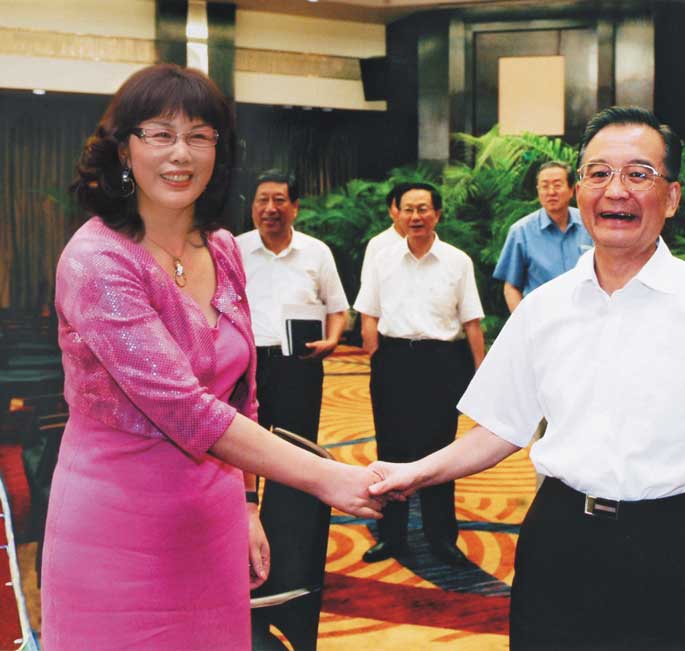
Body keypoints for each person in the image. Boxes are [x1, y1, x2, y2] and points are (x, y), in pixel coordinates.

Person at [367, 107, 685, 650]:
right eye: (598, 173)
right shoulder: (544, 307)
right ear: (579, 190)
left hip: (666, 543)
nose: (616, 190)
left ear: (671, 197)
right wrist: (415, 472)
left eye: (638, 174)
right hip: (557, 537)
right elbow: (499, 429)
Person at [43, 64, 382, 651]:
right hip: (117, 523)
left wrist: (248, 506)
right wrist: (328, 477)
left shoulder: (222, 247)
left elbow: (241, 393)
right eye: (160, 134)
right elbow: (185, 408)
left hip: (213, 514)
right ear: (124, 148)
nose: (181, 153)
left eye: (199, 136)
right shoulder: (97, 260)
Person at [355, 182, 485, 565]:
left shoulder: (458, 261)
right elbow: (368, 313)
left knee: (441, 452)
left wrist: (480, 373)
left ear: (437, 214)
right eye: (409, 209)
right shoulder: (382, 258)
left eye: (423, 209)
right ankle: (391, 537)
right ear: (397, 213)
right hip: (393, 359)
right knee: (390, 449)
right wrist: (375, 356)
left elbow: (472, 321)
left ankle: (442, 538)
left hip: (442, 361)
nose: (416, 216)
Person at [236, 170, 348, 443]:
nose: (270, 208)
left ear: (295, 207)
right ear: (252, 206)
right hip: (247, 365)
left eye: (279, 200)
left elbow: (337, 308)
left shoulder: (317, 252)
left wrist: (332, 340)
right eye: (262, 200)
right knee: (246, 447)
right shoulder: (235, 250)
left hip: (300, 364)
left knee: (299, 445)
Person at [493, 160, 592, 312]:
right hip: (541, 318)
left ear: (572, 190)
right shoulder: (521, 232)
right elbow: (511, 287)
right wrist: (523, 322)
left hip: (587, 315)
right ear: (538, 191)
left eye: (557, 185)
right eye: (545, 186)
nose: (551, 192)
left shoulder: (590, 224)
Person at [359, 183, 407, 285]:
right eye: (398, 206)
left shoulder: (432, 243)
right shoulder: (378, 244)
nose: (404, 212)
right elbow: (368, 285)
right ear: (390, 211)